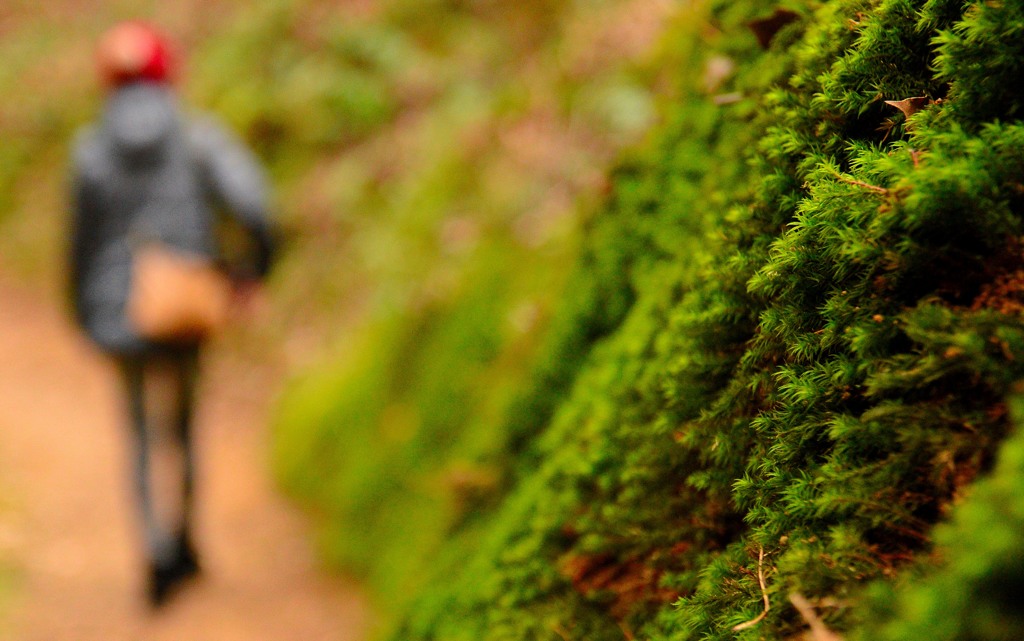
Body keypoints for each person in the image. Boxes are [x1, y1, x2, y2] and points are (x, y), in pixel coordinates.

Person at [68, 21, 276, 606]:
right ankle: (184, 541)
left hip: (116, 309)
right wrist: (248, 272)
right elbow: (256, 206)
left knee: (136, 432)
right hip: (185, 303)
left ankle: (153, 552)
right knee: (182, 429)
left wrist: (81, 310)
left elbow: (79, 246)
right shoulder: (197, 138)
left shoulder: (88, 150)